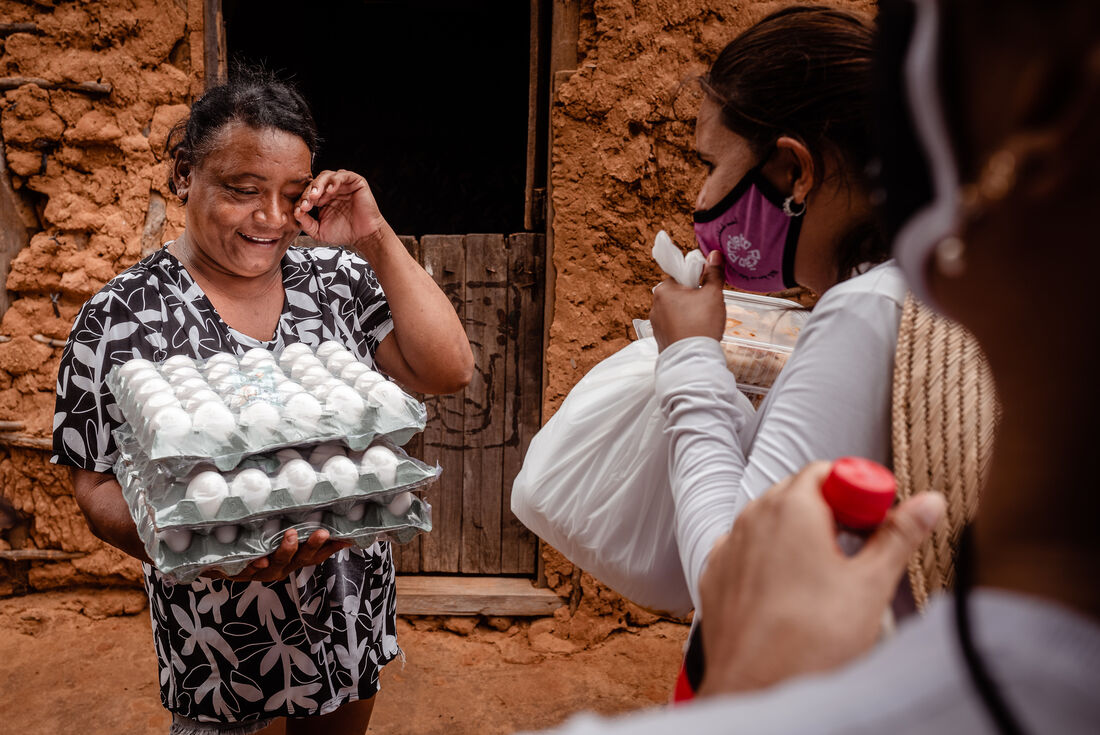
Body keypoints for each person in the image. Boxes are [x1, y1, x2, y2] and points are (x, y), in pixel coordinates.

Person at [535, 0, 1100, 731]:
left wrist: (691, 361)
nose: (702, 200)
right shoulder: (904, 306)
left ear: (793, 170)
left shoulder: (865, 310)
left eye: (711, 166)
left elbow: (732, 583)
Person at [51, 71, 472, 735]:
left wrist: (375, 235)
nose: (272, 217)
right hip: (219, 636)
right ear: (186, 174)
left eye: (291, 194)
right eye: (244, 191)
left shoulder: (335, 281)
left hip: (343, 611)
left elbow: (448, 370)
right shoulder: (121, 317)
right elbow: (96, 486)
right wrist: (204, 542)